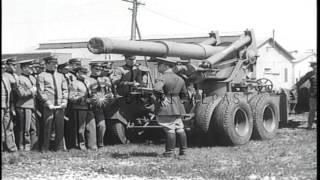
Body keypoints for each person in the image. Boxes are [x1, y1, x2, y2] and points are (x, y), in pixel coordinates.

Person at [153, 57, 189, 158]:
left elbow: (156, 89)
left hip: (166, 106)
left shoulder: (163, 77)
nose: (158, 67)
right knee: (179, 128)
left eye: (159, 65)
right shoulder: (180, 78)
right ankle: (183, 151)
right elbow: (184, 95)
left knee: (169, 128)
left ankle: (169, 152)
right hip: (177, 106)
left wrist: (162, 98)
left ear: (165, 66)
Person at [36, 56, 68, 152]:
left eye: (56, 63)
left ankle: (59, 148)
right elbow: (41, 91)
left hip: (59, 105)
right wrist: (47, 102)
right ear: (47, 64)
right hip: (49, 106)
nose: (55, 65)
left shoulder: (60, 76)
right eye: (53, 63)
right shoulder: (41, 75)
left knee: (60, 127)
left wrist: (64, 101)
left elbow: (65, 89)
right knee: (47, 126)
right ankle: (45, 148)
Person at [69, 67, 97, 150]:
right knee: (81, 128)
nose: (85, 75)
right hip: (80, 107)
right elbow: (72, 97)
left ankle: (92, 145)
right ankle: (81, 146)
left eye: (86, 73)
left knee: (92, 127)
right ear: (77, 73)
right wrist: (84, 100)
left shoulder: (88, 82)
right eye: (82, 73)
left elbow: (93, 93)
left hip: (89, 107)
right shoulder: (74, 83)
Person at [15, 59, 39, 151]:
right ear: (24, 68)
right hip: (24, 106)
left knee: (33, 128)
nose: (32, 69)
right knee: (24, 128)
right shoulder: (20, 79)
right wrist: (31, 91)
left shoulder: (32, 78)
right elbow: (21, 93)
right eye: (30, 67)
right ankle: (23, 147)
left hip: (32, 106)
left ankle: (32, 146)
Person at [88, 61, 113, 148]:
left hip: (101, 107)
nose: (98, 70)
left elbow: (109, 92)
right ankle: (91, 145)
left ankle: (100, 143)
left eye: (100, 69)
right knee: (91, 127)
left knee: (102, 126)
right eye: (96, 69)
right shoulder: (87, 79)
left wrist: (109, 97)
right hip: (89, 106)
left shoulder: (104, 79)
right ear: (91, 69)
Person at [1, 59, 18, 152]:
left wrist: (11, 106)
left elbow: (10, 93)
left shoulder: (6, 78)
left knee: (9, 127)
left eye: (3, 67)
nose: (2, 69)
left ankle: (11, 148)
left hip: (7, 106)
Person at [307, 62, 317, 129]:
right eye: (313, 67)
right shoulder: (310, 74)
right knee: (312, 110)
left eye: (315, 66)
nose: (314, 68)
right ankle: (310, 125)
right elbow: (303, 80)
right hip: (313, 95)